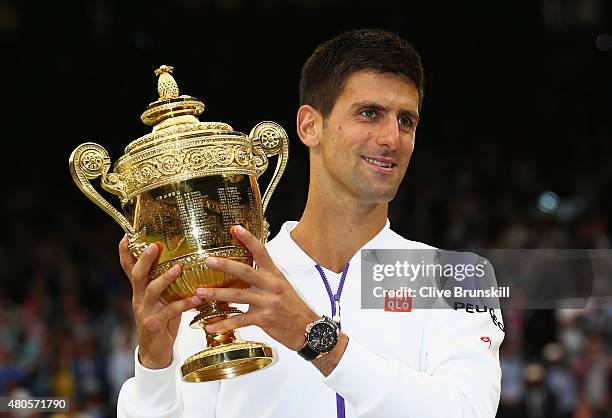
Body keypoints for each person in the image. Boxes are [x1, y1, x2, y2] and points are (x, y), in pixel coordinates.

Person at [117, 29, 505, 418]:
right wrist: (153, 365)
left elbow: (466, 411)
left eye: (406, 120)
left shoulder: (455, 278)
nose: (392, 138)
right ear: (309, 126)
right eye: (369, 113)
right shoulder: (228, 278)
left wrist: (312, 336)